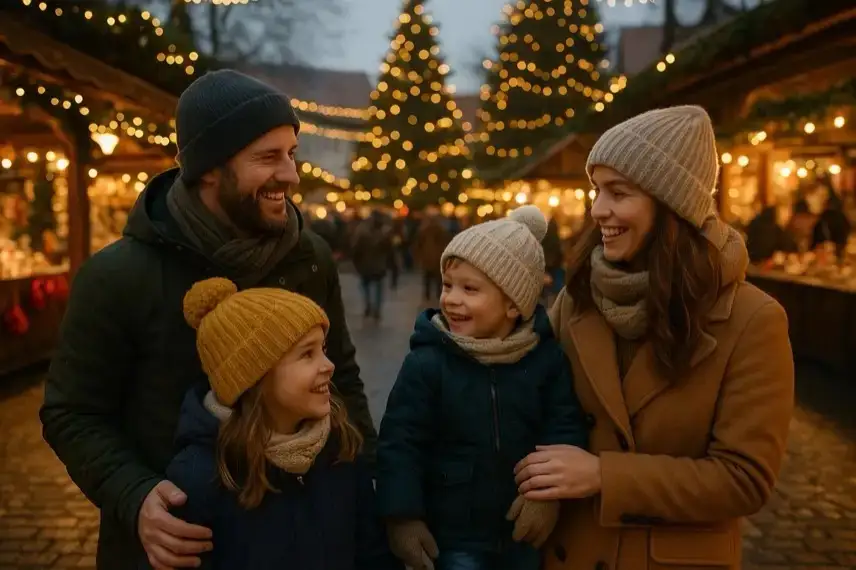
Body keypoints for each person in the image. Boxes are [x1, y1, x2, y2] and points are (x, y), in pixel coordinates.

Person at [40, 69, 377, 570]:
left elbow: (343, 380)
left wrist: (375, 493)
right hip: (174, 549)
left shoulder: (310, 259)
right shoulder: (119, 275)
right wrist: (135, 494)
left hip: (305, 537)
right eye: (268, 157)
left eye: (292, 153)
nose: (291, 174)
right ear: (210, 169)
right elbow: (72, 412)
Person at [514, 106, 794, 570]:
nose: (597, 209)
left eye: (618, 192)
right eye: (597, 190)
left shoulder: (753, 320)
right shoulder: (578, 297)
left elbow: (744, 479)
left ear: (671, 204)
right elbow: (533, 402)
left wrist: (604, 475)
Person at [377, 206, 588, 570]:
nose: (451, 298)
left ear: (513, 305)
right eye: (448, 285)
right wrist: (403, 516)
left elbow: (563, 429)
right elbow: (400, 443)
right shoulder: (427, 363)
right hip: (454, 535)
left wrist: (547, 496)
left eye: (470, 289)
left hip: (522, 531)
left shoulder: (545, 360)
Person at [148, 278, 400, 570]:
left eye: (323, 349)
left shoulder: (340, 450)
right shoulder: (199, 478)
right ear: (255, 377)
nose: (329, 365)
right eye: (307, 354)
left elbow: (373, 555)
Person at [352, 210, 393, 320]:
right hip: (379, 265)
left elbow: (356, 249)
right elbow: (389, 250)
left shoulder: (362, 233)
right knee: (378, 288)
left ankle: (368, 305)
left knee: (366, 287)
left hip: (366, 265)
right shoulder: (384, 234)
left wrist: (356, 263)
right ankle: (376, 309)